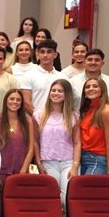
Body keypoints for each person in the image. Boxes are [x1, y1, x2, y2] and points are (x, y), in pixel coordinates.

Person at [0, 89, 34, 217]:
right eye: (12, 99)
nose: (15, 102)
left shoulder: (28, 122)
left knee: (17, 209)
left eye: (18, 100)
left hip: (20, 172)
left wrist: (23, 171)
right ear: (6, 101)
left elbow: (31, 148)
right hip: (0, 174)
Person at [33, 79, 79, 208]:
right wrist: (39, 163)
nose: (56, 93)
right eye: (53, 90)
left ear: (66, 95)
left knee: (66, 200)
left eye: (60, 91)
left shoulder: (74, 116)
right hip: (48, 163)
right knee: (51, 200)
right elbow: (35, 142)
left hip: (68, 163)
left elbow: (77, 142)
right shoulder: (39, 115)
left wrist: (75, 166)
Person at [78, 78, 109, 179]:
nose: (91, 89)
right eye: (87, 87)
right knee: (79, 191)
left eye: (95, 86)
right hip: (83, 157)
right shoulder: (87, 109)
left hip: (98, 159)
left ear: (102, 90)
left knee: (87, 190)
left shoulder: (107, 110)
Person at [69, 48, 109, 128]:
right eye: (90, 60)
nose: (93, 62)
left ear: (102, 63)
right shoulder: (72, 82)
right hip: (78, 127)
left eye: (97, 60)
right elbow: (67, 106)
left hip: (104, 128)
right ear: (84, 62)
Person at [21, 39, 67, 115]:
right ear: (37, 54)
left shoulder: (63, 77)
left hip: (58, 121)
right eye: (42, 52)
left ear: (55, 55)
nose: (45, 55)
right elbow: (26, 102)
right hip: (35, 121)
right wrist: (39, 119)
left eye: (49, 52)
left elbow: (66, 102)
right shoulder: (28, 75)